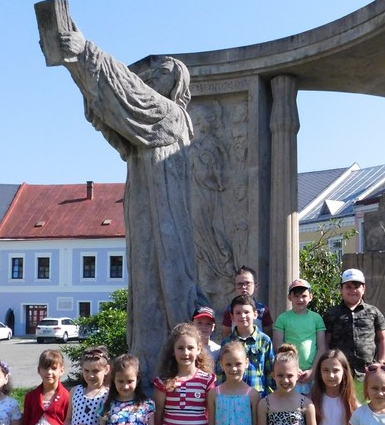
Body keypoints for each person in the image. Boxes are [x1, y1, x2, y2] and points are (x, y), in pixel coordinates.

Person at [50, 20, 206, 380]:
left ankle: (171, 367)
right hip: (145, 207)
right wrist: (77, 70)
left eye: (161, 74)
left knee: (168, 281)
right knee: (146, 282)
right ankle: (144, 365)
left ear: (176, 83)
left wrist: (83, 52)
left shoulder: (170, 115)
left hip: (165, 211)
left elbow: (126, 94)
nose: (150, 80)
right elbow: (112, 112)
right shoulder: (147, 126)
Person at [324, 269, 385, 377]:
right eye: (348, 287)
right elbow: (326, 341)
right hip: (339, 371)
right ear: (341, 289)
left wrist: (382, 361)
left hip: (368, 371)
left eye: (357, 286)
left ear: (363, 289)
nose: (353, 290)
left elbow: (382, 339)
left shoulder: (373, 312)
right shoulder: (331, 314)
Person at [272, 278, 327, 395]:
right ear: (289, 297)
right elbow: (278, 347)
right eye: (296, 296)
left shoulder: (317, 318)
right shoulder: (282, 318)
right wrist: (293, 369)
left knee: (312, 404)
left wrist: (313, 370)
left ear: (311, 297)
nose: (300, 299)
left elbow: (322, 346)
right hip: (290, 374)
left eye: (304, 296)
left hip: (312, 374)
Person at [219, 294, 275, 396]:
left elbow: (270, 372)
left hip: (259, 395)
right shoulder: (227, 342)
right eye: (238, 313)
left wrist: (271, 397)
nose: (243, 316)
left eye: (246, 312)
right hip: (233, 396)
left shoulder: (264, 340)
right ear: (232, 317)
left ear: (255, 314)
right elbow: (221, 373)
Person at [222, 266, 274, 334]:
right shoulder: (230, 309)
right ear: (235, 287)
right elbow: (226, 333)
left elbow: (268, 332)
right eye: (239, 284)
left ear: (256, 286)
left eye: (247, 283)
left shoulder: (263, 309)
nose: (244, 287)